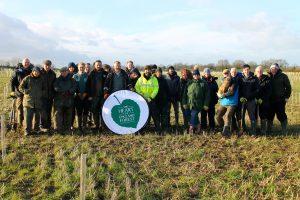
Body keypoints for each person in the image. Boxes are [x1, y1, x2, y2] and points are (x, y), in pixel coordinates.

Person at [182, 69, 209, 134]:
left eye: (197, 75)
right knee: (188, 115)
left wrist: (206, 104)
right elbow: (185, 94)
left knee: (194, 115)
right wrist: (184, 103)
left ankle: (191, 128)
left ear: (199, 75)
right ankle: (198, 126)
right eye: (194, 75)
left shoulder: (203, 83)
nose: (196, 76)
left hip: (198, 104)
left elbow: (207, 95)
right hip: (189, 103)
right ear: (193, 76)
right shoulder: (189, 83)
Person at [18, 67, 44, 135]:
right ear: (32, 71)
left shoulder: (41, 79)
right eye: (34, 71)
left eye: (37, 71)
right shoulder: (27, 78)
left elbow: (44, 88)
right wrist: (25, 91)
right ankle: (27, 130)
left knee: (37, 117)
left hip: (38, 101)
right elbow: (20, 87)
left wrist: (41, 93)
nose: (36, 73)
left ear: (39, 72)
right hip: (28, 101)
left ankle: (36, 129)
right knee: (28, 117)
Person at [268, 63, 291, 134]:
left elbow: (288, 87)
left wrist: (287, 97)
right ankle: (269, 129)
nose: (273, 70)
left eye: (275, 68)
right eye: (272, 68)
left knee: (281, 114)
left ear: (278, 69)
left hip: (280, 99)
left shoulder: (283, 76)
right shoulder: (268, 76)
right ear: (270, 69)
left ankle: (284, 130)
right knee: (270, 114)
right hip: (270, 100)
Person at [135, 65, 159, 133]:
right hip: (142, 100)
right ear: (144, 70)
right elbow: (137, 88)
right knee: (144, 115)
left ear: (151, 71)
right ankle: (143, 129)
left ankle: (158, 130)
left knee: (154, 115)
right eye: (146, 69)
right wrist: (142, 96)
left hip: (151, 100)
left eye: (149, 70)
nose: (147, 71)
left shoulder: (154, 79)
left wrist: (151, 97)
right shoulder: (140, 79)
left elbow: (156, 89)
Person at [10, 58, 33, 128]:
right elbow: (12, 81)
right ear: (23, 63)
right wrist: (12, 91)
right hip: (19, 93)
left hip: (29, 93)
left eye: (28, 62)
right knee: (20, 108)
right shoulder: (17, 71)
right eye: (25, 62)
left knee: (28, 109)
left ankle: (27, 123)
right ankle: (20, 124)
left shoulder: (32, 70)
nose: (26, 63)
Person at [216, 69, 239, 137]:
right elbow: (220, 90)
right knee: (218, 116)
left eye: (227, 73)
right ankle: (224, 128)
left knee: (228, 116)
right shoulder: (223, 81)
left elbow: (231, 92)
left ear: (229, 73)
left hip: (232, 103)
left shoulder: (235, 81)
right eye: (224, 73)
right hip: (224, 102)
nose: (226, 74)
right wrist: (219, 95)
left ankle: (225, 132)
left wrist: (222, 95)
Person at [53, 67, 77, 133]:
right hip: (59, 100)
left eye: (65, 71)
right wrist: (61, 91)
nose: (64, 73)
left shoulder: (72, 80)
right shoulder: (57, 80)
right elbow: (55, 87)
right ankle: (58, 129)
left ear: (67, 71)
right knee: (58, 115)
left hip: (69, 100)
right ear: (60, 72)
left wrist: (69, 91)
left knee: (68, 115)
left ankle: (67, 128)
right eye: (62, 71)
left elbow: (74, 87)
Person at [86, 60, 108, 131]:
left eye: (100, 64)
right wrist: (89, 95)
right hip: (94, 96)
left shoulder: (106, 73)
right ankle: (96, 125)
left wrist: (106, 93)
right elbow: (88, 86)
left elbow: (108, 84)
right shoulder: (91, 74)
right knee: (94, 111)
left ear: (102, 65)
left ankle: (103, 126)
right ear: (94, 65)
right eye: (97, 65)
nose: (98, 66)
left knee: (103, 111)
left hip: (103, 96)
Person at [239, 64, 259, 135]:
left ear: (249, 70)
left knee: (252, 116)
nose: (246, 71)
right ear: (243, 71)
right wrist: (241, 97)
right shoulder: (240, 79)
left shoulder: (254, 79)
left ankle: (253, 131)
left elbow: (257, 90)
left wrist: (248, 97)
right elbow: (239, 89)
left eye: (247, 69)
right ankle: (243, 130)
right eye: (245, 70)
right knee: (241, 116)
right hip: (242, 101)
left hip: (251, 101)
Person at [254, 66, 272, 135]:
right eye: (258, 71)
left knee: (263, 115)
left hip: (264, 100)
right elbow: (251, 89)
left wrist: (262, 99)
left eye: (261, 71)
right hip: (254, 99)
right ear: (255, 71)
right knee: (254, 114)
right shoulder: (253, 78)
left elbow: (269, 91)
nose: (259, 72)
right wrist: (254, 98)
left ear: (262, 71)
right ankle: (255, 129)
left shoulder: (267, 78)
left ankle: (263, 130)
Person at [40, 60, 56, 132]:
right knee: (43, 111)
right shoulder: (39, 73)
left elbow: (54, 85)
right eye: (46, 65)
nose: (47, 66)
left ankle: (48, 125)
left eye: (49, 65)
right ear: (43, 65)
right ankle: (42, 126)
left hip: (50, 96)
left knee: (49, 111)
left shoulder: (53, 74)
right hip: (42, 96)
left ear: (50, 66)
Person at [73, 62, 89, 132]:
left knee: (85, 111)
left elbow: (89, 86)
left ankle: (84, 125)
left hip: (86, 96)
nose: (81, 68)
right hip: (77, 97)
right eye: (80, 67)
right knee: (78, 111)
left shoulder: (87, 75)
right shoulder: (75, 76)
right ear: (78, 67)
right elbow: (73, 86)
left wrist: (85, 93)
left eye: (83, 67)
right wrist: (78, 93)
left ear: (84, 67)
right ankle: (79, 126)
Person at [154, 67, 170, 135]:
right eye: (157, 72)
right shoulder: (153, 80)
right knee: (157, 116)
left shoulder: (164, 80)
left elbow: (167, 90)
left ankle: (165, 129)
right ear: (155, 73)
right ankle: (158, 129)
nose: (158, 73)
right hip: (156, 101)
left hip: (164, 101)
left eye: (160, 72)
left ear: (161, 72)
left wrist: (168, 99)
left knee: (164, 116)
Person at [166, 66, 181, 132]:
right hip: (168, 97)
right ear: (168, 71)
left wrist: (178, 96)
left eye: (172, 69)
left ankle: (177, 123)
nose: (171, 70)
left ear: (174, 70)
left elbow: (179, 88)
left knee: (176, 111)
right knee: (168, 111)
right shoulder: (166, 77)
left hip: (175, 97)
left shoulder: (177, 78)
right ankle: (168, 123)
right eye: (170, 70)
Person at [180, 68, 192, 133]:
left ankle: (191, 127)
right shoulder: (180, 81)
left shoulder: (190, 81)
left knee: (189, 114)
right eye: (183, 74)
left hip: (189, 101)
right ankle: (185, 127)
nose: (184, 76)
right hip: (182, 101)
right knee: (184, 115)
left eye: (185, 74)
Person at [230, 68, 243, 132]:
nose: (233, 73)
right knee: (232, 114)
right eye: (232, 72)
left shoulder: (240, 78)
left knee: (238, 114)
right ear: (230, 72)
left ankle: (240, 128)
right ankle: (233, 128)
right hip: (231, 100)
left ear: (237, 72)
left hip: (238, 99)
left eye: (235, 72)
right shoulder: (229, 78)